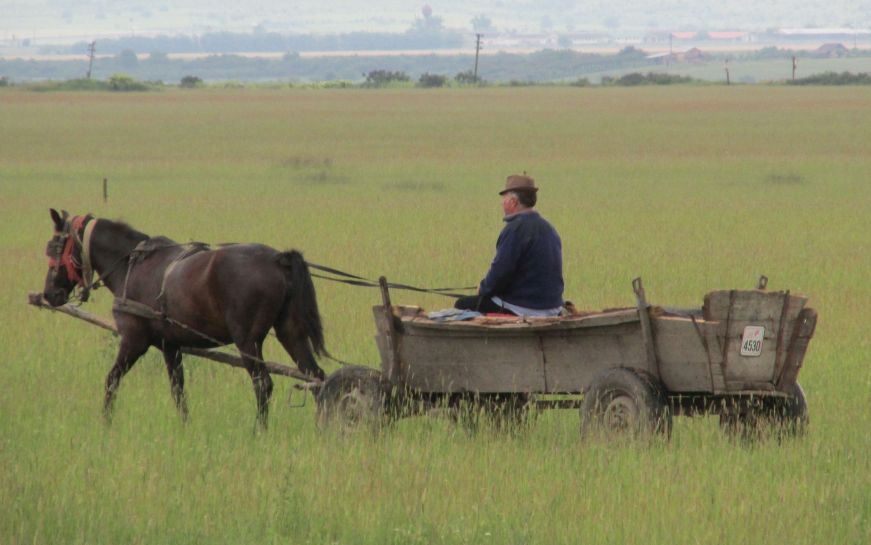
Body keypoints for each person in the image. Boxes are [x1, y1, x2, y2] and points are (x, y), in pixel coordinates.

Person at [455, 174, 564, 316]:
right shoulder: (549, 227)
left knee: (462, 304)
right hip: (553, 305)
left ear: (513, 202)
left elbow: (500, 272)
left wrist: (483, 289)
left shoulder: (515, 229)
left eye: (504, 198)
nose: (502, 203)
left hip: (525, 307)